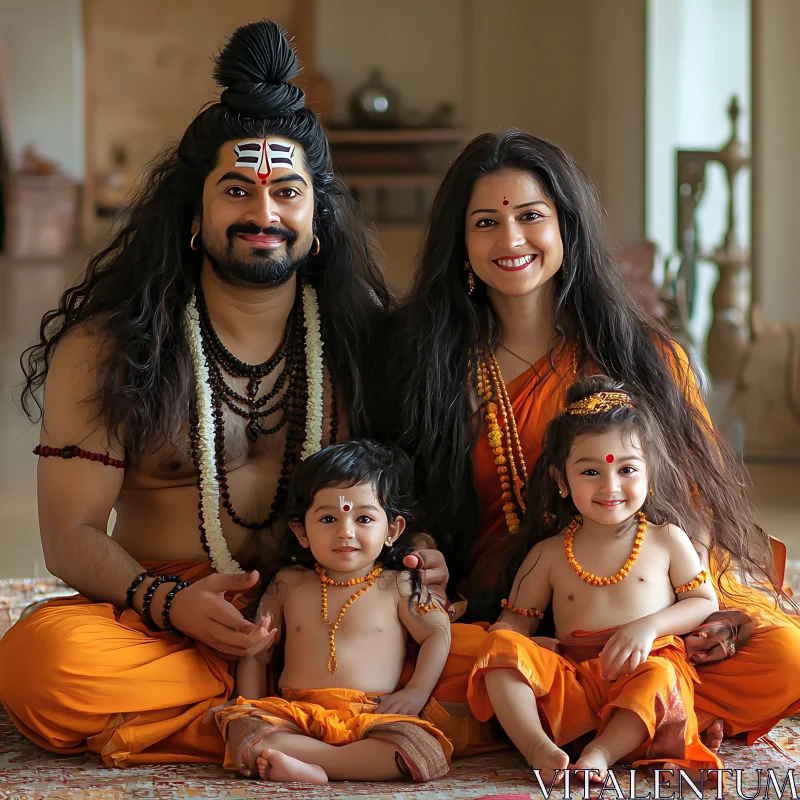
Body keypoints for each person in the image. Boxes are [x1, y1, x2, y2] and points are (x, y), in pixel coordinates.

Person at [0, 20, 446, 766]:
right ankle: (276, 726)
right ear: (193, 215)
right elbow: (69, 534)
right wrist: (170, 603)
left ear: (319, 219)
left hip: (335, 623)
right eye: (237, 190)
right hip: (163, 619)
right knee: (39, 665)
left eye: (287, 194)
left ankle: (242, 720)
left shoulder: (367, 344)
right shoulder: (109, 349)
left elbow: (408, 496)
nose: (264, 215)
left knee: (498, 661)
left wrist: (422, 553)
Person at [383, 128, 799, 756]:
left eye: (530, 217)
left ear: (567, 229)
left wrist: (705, 609)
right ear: (460, 244)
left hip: (643, 612)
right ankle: (642, 715)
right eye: (486, 222)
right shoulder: (428, 365)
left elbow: (696, 507)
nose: (512, 240)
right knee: (423, 651)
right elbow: (395, 494)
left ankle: (569, 712)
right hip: (507, 608)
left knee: (783, 654)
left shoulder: (646, 356)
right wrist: (418, 549)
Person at [468, 377, 722, 782]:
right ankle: (539, 747)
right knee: (496, 647)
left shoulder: (666, 539)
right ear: (561, 480)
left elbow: (705, 602)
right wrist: (527, 643)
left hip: (643, 672)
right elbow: (513, 623)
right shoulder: (548, 554)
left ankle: (601, 753)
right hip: (573, 686)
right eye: (590, 472)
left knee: (663, 674)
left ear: (650, 475)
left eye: (627, 469)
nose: (610, 486)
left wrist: (648, 627)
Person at [214, 440, 452, 783]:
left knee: (416, 749)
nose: (345, 531)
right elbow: (256, 650)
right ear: (301, 532)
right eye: (328, 518)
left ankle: (315, 766)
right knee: (244, 733)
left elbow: (437, 631)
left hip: (372, 714)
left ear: (392, 531)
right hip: (294, 714)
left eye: (364, 518)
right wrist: (250, 705)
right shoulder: (288, 584)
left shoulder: (397, 586)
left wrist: (416, 691)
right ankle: (326, 763)